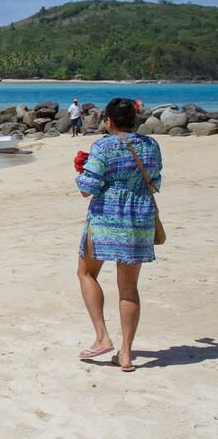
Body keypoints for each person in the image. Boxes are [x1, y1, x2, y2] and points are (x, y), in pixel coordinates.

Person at [75, 97, 162, 372]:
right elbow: (155, 181)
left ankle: (102, 336)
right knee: (128, 288)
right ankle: (126, 353)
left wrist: (80, 169)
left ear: (108, 121)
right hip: (139, 219)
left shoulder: (104, 145)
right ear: (135, 119)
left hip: (107, 218)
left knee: (86, 273)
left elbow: (87, 188)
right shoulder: (151, 145)